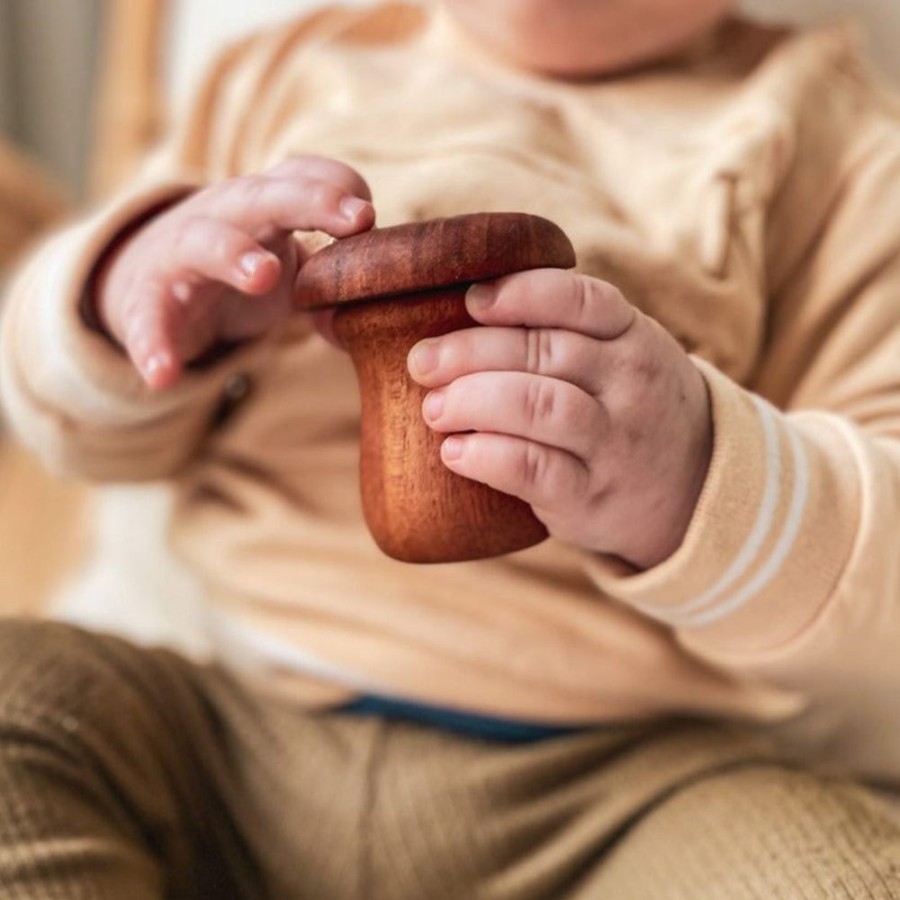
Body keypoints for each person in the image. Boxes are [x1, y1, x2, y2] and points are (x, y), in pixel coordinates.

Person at [2, 0, 900, 896]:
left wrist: (697, 474)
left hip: (627, 789)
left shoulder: (837, 146)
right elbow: (78, 436)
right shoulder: (282, 73)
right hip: (233, 740)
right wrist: (126, 306)